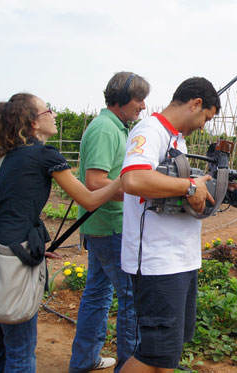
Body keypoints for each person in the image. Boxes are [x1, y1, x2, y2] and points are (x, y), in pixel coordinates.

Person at [0, 93, 121, 373]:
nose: (55, 115)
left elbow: (7, 211)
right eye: (48, 110)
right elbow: (89, 199)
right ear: (33, 123)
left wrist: (31, 244)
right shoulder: (43, 155)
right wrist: (125, 179)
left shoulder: (4, 158)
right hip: (14, 266)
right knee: (21, 354)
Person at [119, 77, 220, 373]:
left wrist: (200, 189)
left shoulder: (177, 139)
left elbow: (174, 185)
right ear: (196, 104)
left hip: (179, 260)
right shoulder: (151, 130)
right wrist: (190, 187)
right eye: (206, 117)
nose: (204, 125)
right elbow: (133, 180)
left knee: (167, 355)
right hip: (156, 262)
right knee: (154, 353)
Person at [69, 72, 149, 373]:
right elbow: (94, 182)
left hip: (103, 226)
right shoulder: (105, 129)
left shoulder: (115, 127)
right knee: (130, 298)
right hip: (110, 226)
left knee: (98, 293)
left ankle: (84, 360)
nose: (142, 105)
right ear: (121, 99)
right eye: (138, 99)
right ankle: (128, 366)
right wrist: (136, 190)